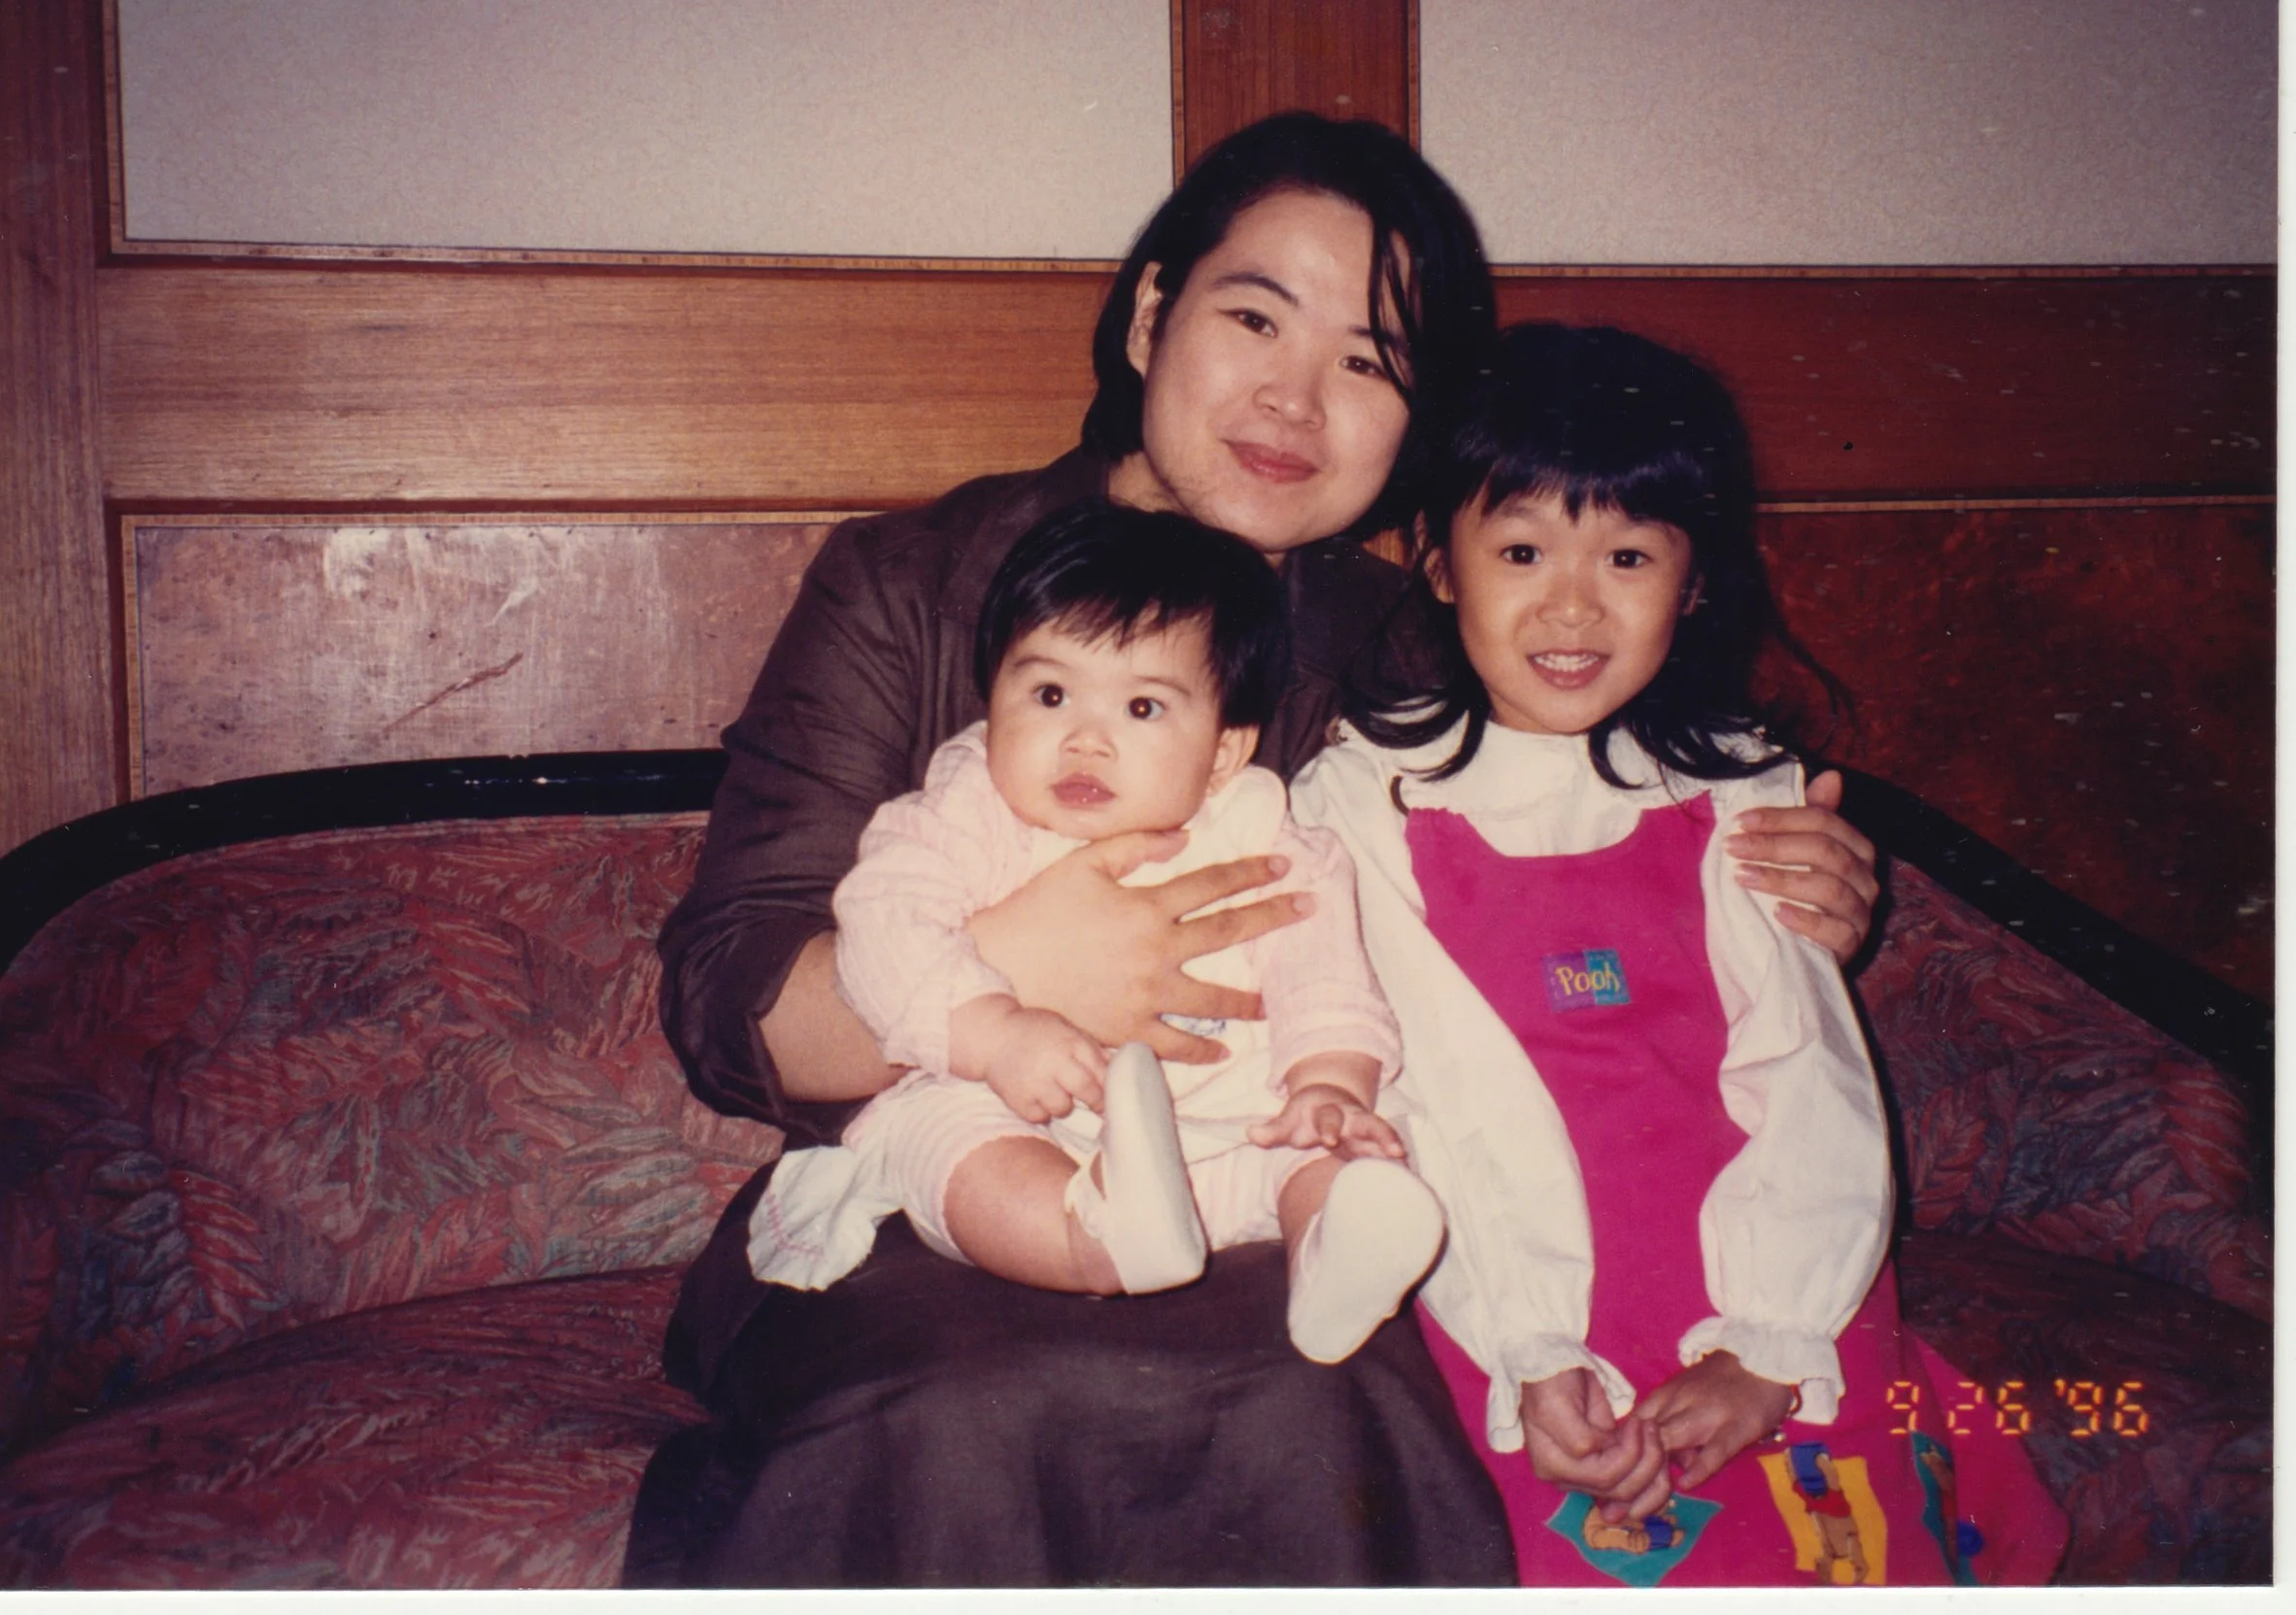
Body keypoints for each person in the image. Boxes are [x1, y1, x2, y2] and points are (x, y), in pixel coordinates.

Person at [625, 114, 1882, 1588]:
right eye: (1255, 319)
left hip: (1262, 1186)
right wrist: (1019, 964)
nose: (1296, 397)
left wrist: (1791, 879)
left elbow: (1586, 842)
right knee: (987, 1402)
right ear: (1151, 317)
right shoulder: (907, 584)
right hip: (925, 1204)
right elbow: (728, 1002)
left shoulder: (1404, 646)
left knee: (1330, 1395)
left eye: (1368, 362)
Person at [1295, 322, 2068, 1587]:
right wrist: (1531, 1344)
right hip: (1498, 1282)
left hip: (1761, 1274)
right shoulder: (1363, 798)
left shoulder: (1737, 793)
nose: (1572, 605)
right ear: (1438, 559)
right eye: (1522, 550)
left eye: (1629, 556)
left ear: (1694, 579)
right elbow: (1432, 1083)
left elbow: (1809, 1077)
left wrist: (1767, 1344)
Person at [752, 503, 1444, 1369]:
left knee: (1326, 1152)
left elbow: (1327, 976)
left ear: (1224, 754)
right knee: (947, 1139)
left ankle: (1329, 1253)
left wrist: (1328, 1084)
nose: (1085, 739)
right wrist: (994, 1031)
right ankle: (1097, 1238)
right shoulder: (966, 814)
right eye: (1049, 695)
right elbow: (884, 926)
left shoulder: (1270, 839)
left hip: (1234, 1132)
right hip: (1023, 1117)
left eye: (1143, 706)